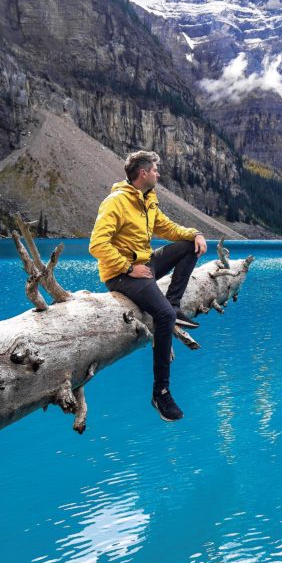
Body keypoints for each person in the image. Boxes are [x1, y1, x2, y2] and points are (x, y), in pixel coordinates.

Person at [89, 149, 207, 422]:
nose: (158, 173)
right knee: (162, 315)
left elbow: (166, 228)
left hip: (144, 266)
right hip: (121, 275)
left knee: (189, 247)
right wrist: (129, 267)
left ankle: (174, 303)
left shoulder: (147, 200)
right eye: (155, 170)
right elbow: (96, 244)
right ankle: (161, 392)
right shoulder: (115, 202)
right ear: (143, 173)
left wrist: (196, 233)